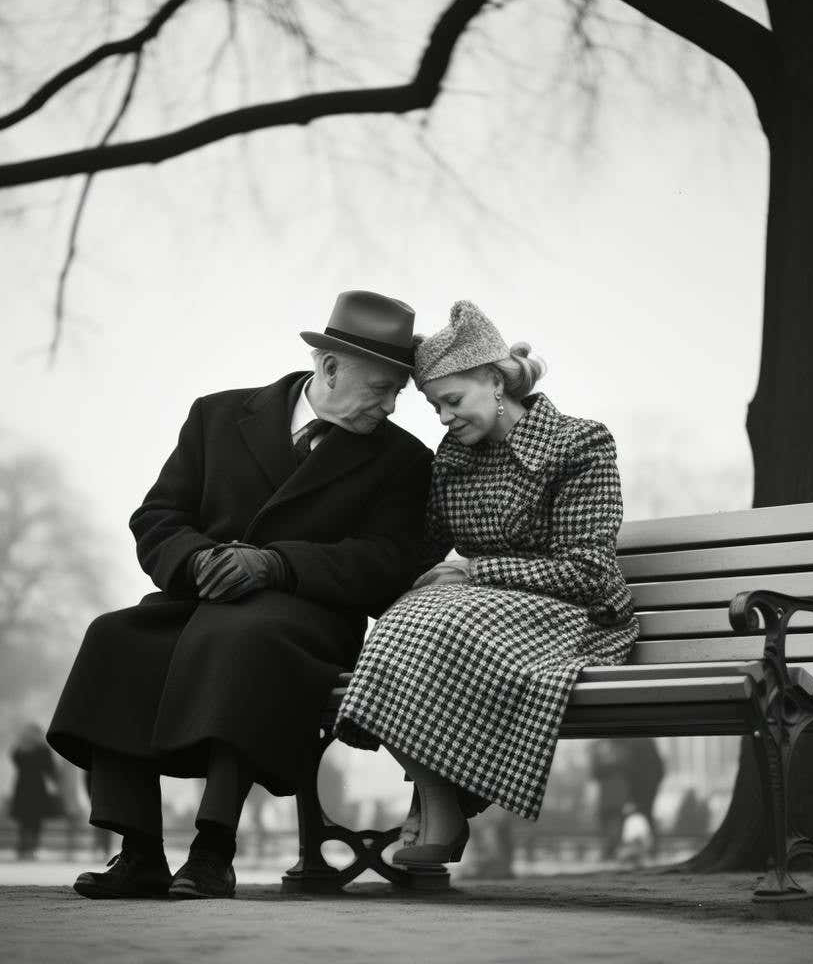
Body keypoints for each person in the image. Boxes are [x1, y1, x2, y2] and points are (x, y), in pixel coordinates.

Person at [47, 290, 432, 899]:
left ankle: (212, 851)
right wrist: (198, 560)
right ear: (329, 369)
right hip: (200, 599)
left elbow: (389, 560)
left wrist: (277, 564)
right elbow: (158, 516)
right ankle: (139, 850)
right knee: (114, 637)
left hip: (308, 620)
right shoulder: (218, 416)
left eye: (396, 393)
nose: (389, 406)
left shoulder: (404, 461)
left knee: (244, 640)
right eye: (381, 388)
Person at [335, 300, 640, 867]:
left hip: (577, 618)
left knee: (431, 617)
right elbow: (423, 549)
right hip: (484, 621)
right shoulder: (455, 456)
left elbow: (590, 573)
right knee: (400, 618)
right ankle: (435, 801)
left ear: (496, 382)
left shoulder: (580, 444)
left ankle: (436, 808)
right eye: (434, 406)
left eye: (453, 401)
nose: (444, 418)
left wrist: (477, 571)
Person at [9, 723, 62, 859]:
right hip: (37, 788)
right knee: (36, 820)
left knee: (24, 820)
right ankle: (32, 847)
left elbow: (15, 760)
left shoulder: (19, 750)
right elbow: (50, 770)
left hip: (21, 787)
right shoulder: (42, 750)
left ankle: (22, 847)